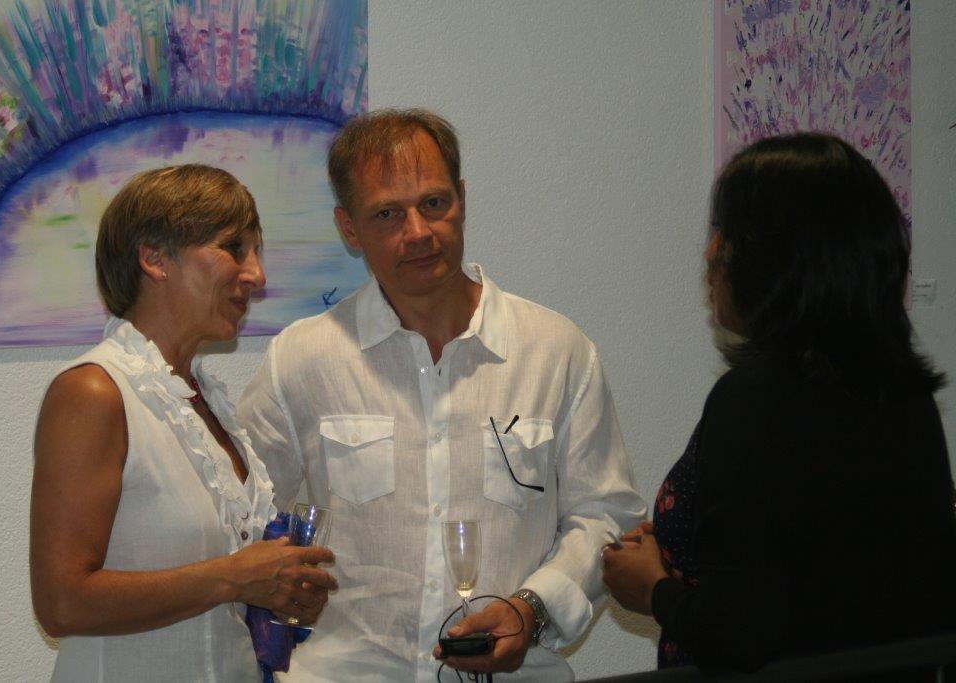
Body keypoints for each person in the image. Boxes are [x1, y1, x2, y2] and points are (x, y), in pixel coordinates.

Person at [236, 108, 647, 681]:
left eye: (434, 203)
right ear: (349, 228)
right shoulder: (302, 359)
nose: (418, 233)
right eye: (387, 214)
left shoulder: (556, 351)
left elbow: (605, 517)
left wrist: (531, 609)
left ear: (462, 199)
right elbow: (238, 522)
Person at [602, 133, 956, 673]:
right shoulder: (908, 399)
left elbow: (737, 636)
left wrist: (652, 589)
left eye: (722, 232)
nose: (709, 253)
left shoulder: (752, 401)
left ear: (774, 257)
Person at [31, 164, 338, 682]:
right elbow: (61, 603)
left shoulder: (204, 401)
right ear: (154, 258)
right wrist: (232, 579)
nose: (256, 274)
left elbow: (227, 591)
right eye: (234, 248)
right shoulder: (94, 392)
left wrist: (278, 594)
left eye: (256, 251)